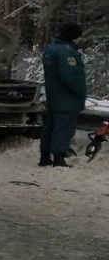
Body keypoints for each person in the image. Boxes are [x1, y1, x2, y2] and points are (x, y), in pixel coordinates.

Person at [39, 22, 87, 167]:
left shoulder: (51, 49)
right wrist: (81, 92)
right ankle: (59, 158)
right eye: (79, 36)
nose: (80, 39)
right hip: (67, 99)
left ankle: (45, 156)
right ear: (73, 37)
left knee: (49, 127)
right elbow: (69, 77)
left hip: (53, 97)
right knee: (63, 128)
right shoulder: (68, 52)